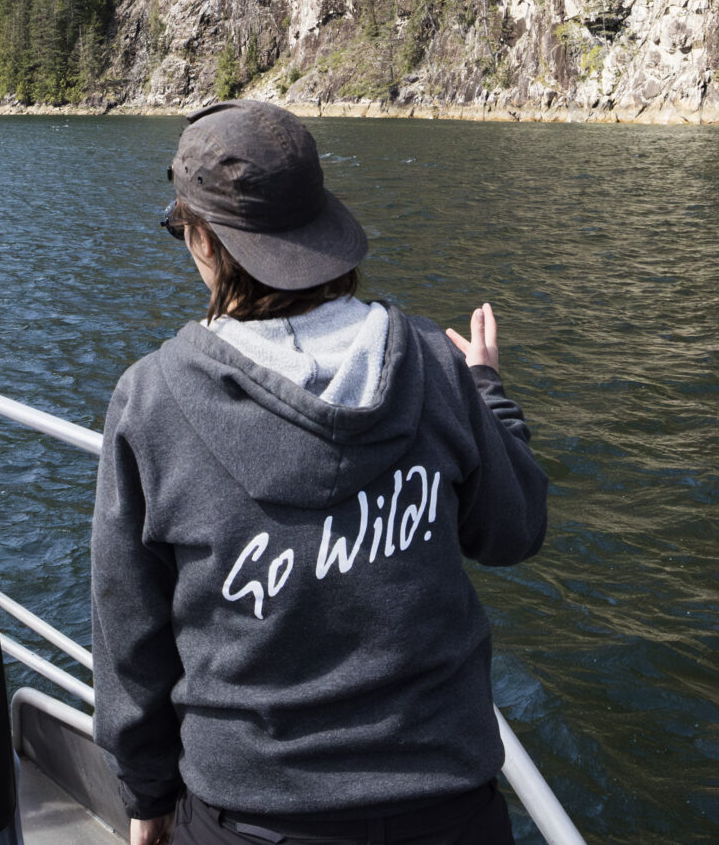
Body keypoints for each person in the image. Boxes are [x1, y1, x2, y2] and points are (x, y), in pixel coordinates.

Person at [92, 101, 551, 845]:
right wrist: (486, 389)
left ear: (205, 239)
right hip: (449, 807)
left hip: (253, 815)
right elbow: (513, 528)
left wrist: (147, 795)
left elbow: (129, 634)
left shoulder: (152, 400)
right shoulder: (434, 363)